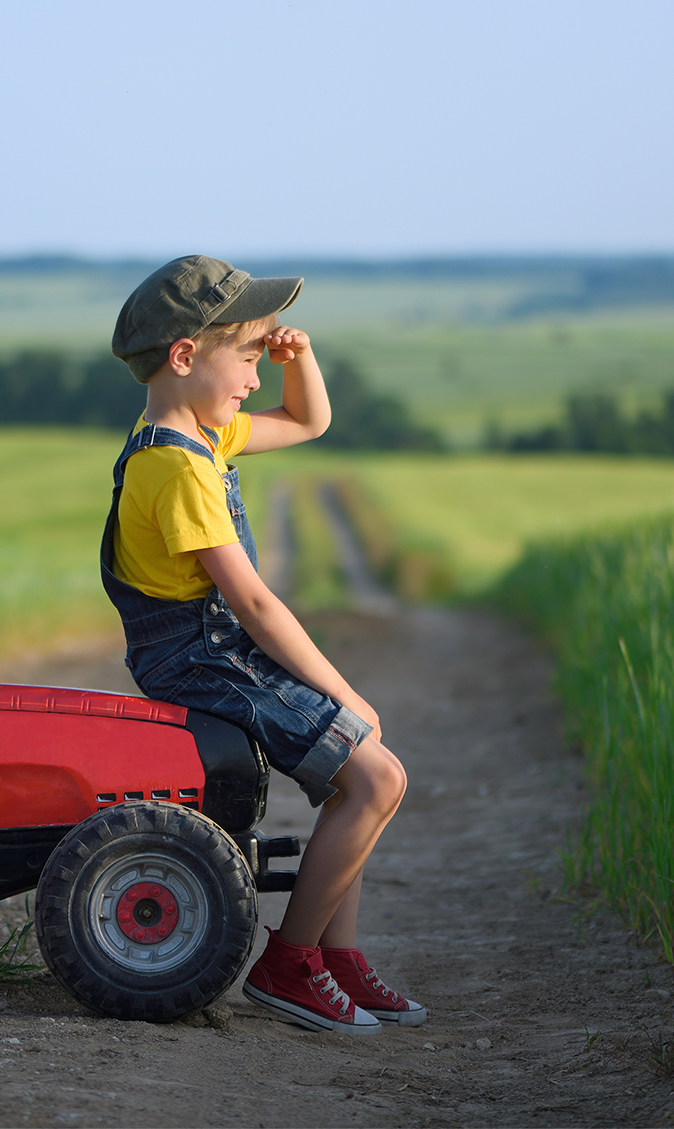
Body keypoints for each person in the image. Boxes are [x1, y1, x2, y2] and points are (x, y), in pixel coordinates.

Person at [101, 255, 423, 1035]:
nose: (255, 374)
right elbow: (250, 601)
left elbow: (309, 421)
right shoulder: (176, 465)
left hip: (215, 646)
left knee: (361, 772)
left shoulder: (203, 435)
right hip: (200, 654)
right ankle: (290, 967)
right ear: (185, 357)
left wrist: (297, 355)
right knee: (376, 776)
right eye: (247, 355)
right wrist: (343, 692)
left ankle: (333, 961)